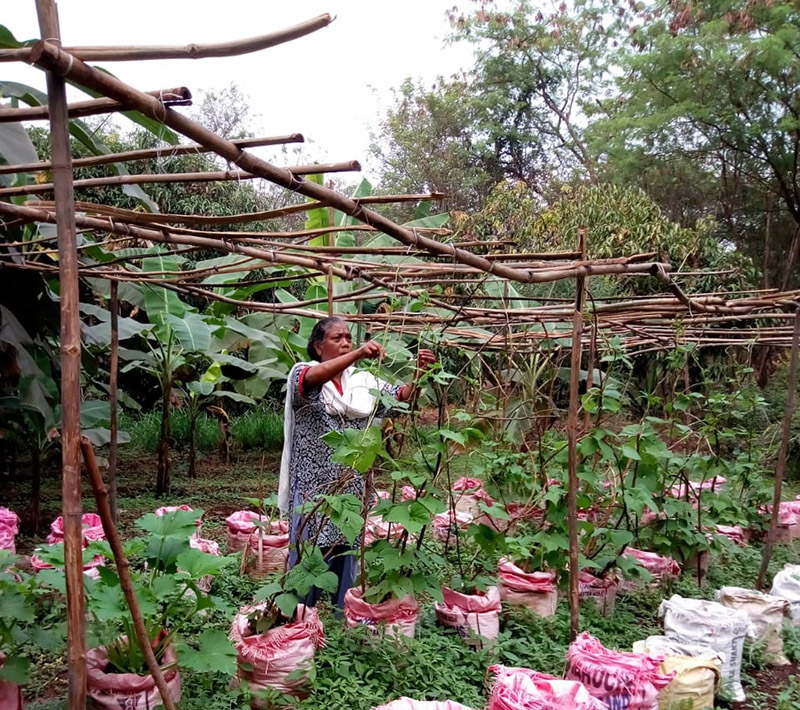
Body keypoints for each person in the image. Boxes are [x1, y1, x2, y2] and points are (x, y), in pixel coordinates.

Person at [278, 316, 435, 608]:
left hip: (351, 486)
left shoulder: (363, 382)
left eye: (349, 338)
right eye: (337, 338)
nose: (345, 343)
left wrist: (420, 374)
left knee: (346, 551)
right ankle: (300, 613)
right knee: (307, 555)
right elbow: (310, 379)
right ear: (318, 346)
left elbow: (399, 399)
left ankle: (342, 612)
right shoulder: (304, 373)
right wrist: (359, 353)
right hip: (314, 489)